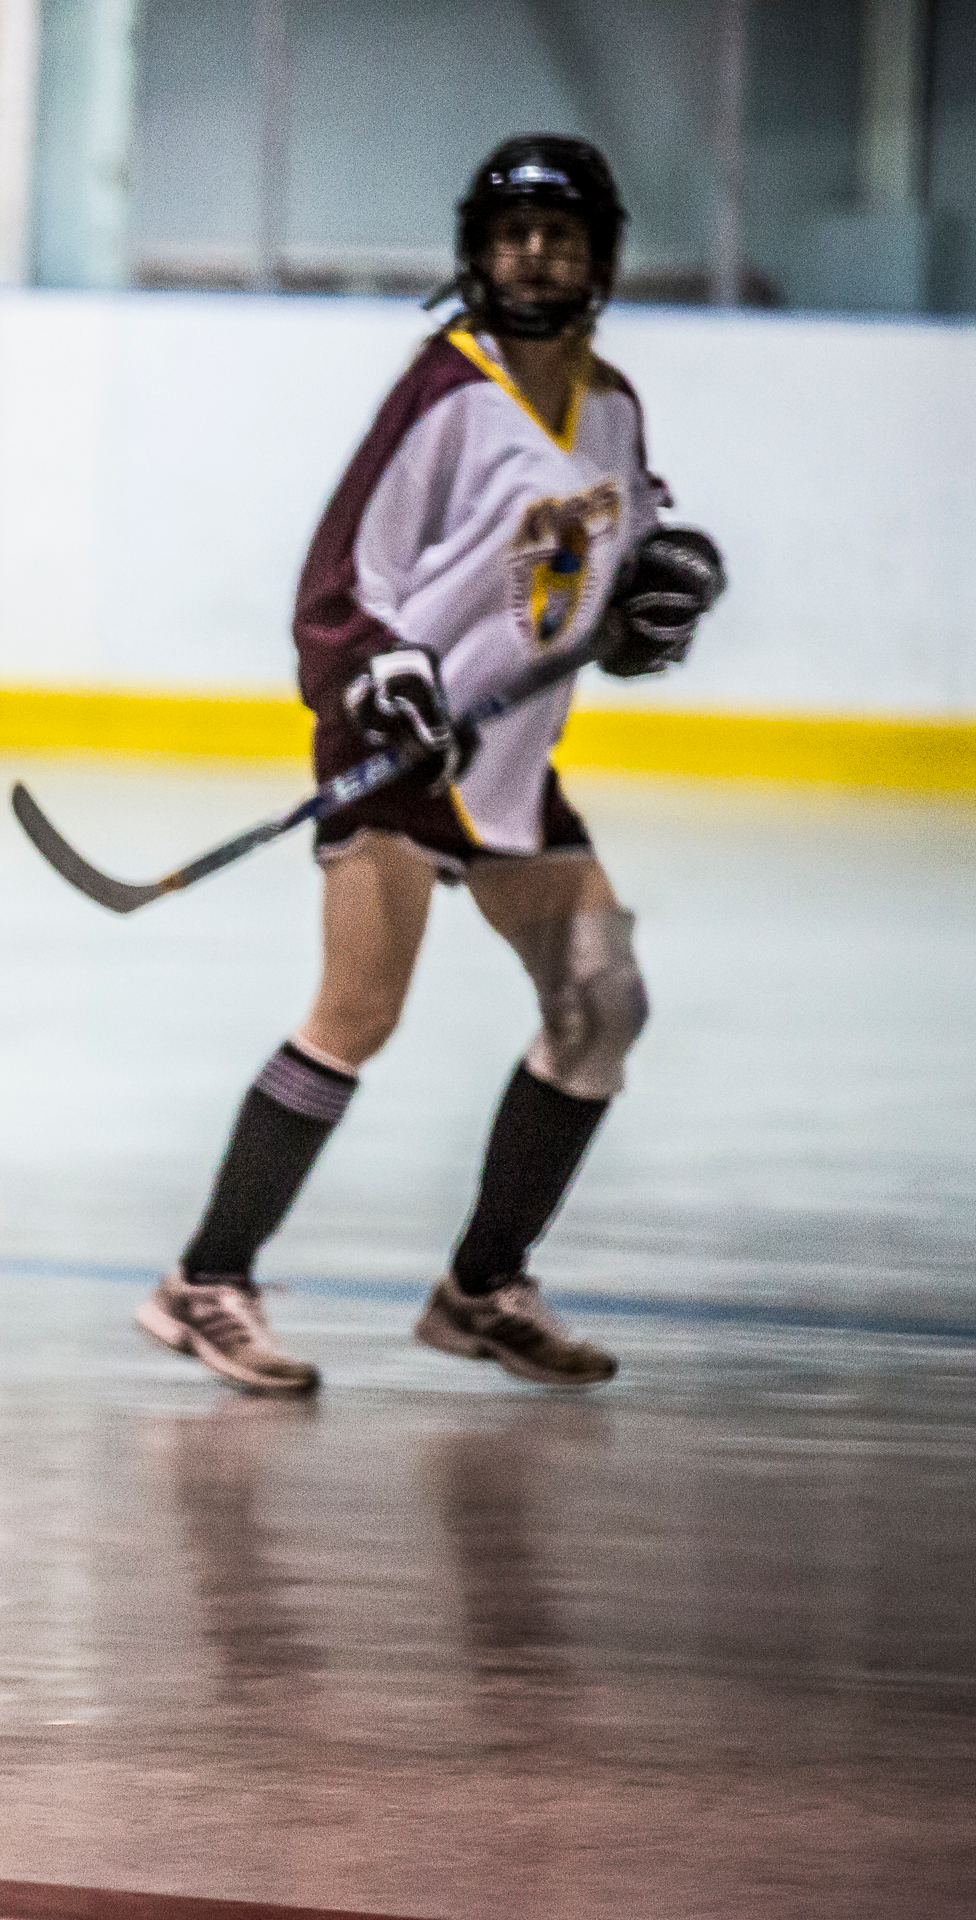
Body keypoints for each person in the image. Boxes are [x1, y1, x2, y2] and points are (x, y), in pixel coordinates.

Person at [138, 136, 725, 1394]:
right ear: (475, 250)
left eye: (560, 236)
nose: (533, 256)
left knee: (602, 1007)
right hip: (400, 755)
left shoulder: (613, 406)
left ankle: (481, 1288)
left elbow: (595, 592)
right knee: (359, 1014)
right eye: (513, 235)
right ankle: (206, 1280)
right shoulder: (443, 390)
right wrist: (379, 672)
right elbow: (340, 584)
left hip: (508, 758)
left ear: (600, 257)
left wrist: (650, 609)